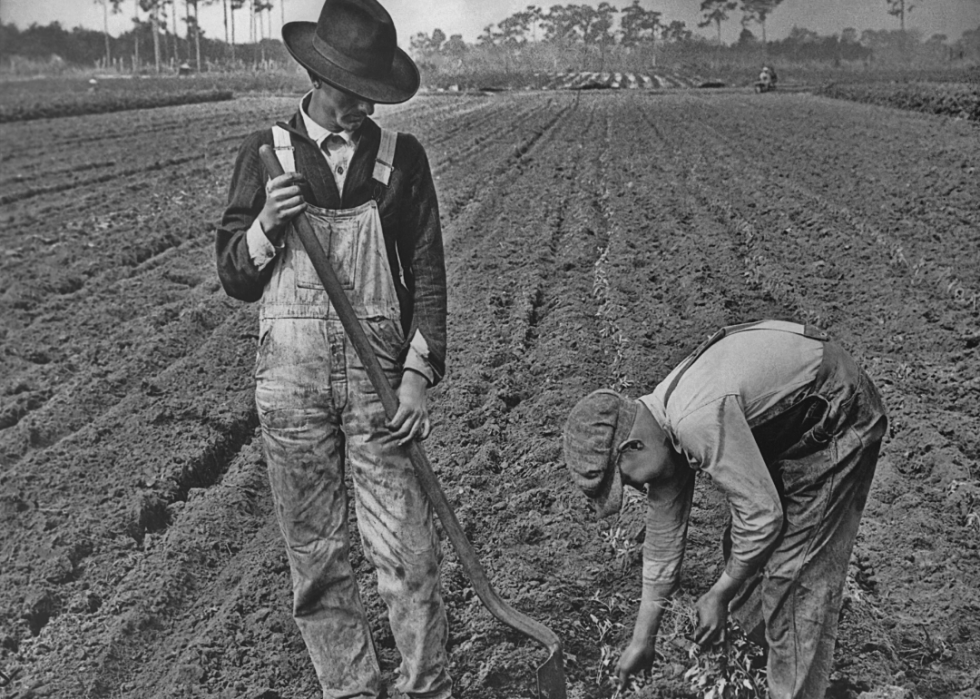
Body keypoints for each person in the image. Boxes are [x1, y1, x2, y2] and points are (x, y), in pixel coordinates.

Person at [215, 0, 451, 697]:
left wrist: (416, 376)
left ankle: (424, 686)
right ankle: (350, 687)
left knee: (408, 552)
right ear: (320, 76)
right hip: (290, 385)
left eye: (375, 94)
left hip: (380, 377)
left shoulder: (401, 160)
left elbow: (429, 275)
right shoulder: (266, 155)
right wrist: (265, 223)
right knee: (316, 558)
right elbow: (233, 274)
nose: (364, 107)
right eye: (355, 92)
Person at [562, 320, 887, 699]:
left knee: (793, 575)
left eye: (625, 480)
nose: (633, 488)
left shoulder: (692, 418)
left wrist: (718, 594)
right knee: (742, 549)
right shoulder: (661, 427)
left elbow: (764, 517)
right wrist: (642, 641)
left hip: (837, 410)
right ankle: (763, 654)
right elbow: (664, 545)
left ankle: (793, 688)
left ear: (630, 448)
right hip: (794, 419)